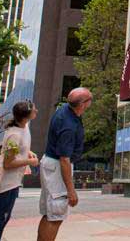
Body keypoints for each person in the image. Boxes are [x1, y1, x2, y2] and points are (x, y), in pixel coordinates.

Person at [38, 87, 92, 241]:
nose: (90, 103)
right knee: (55, 216)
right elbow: (64, 159)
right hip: (57, 167)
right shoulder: (68, 125)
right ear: (82, 104)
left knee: (49, 214)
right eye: (89, 100)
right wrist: (71, 190)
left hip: (51, 163)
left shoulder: (66, 110)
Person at [0, 101, 39, 241]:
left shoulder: (23, 127)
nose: (36, 111)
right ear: (26, 116)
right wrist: (29, 161)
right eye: (34, 110)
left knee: (4, 216)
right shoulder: (14, 134)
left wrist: (28, 152)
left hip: (14, 180)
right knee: (0, 217)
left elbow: (17, 150)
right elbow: (8, 163)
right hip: (8, 182)